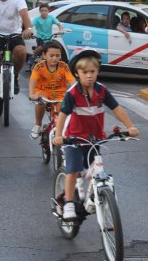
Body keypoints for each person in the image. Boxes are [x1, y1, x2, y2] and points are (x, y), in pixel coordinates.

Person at [52, 48, 139, 220]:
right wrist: (59, 135)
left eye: (92, 72)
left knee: (96, 171)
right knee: (73, 170)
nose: (89, 76)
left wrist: (130, 126)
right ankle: (69, 203)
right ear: (77, 73)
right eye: (84, 72)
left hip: (94, 139)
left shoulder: (101, 90)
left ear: (97, 71)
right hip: (74, 138)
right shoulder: (73, 93)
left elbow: (117, 109)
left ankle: (96, 195)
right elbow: (62, 115)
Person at [28, 41, 76, 139]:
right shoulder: (39, 66)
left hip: (59, 94)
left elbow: (73, 82)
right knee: (41, 101)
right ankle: (37, 125)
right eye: (51, 55)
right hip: (42, 92)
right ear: (45, 56)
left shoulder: (64, 66)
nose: (55, 58)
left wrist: (77, 92)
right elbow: (32, 81)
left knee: (62, 112)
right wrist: (31, 94)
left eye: (57, 55)